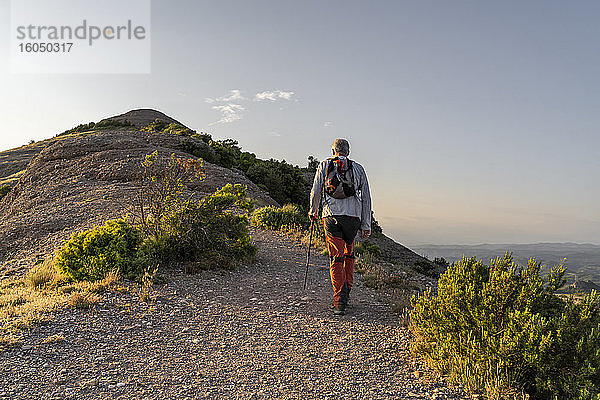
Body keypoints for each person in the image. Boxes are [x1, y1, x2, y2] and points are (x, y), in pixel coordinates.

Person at [309, 138, 372, 315]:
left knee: (336, 257)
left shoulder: (325, 165)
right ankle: (347, 292)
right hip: (353, 218)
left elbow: (316, 190)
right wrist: (366, 224)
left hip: (331, 216)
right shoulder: (358, 168)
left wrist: (313, 211)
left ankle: (339, 300)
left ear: (333, 151)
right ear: (348, 151)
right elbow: (366, 197)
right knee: (349, 254)